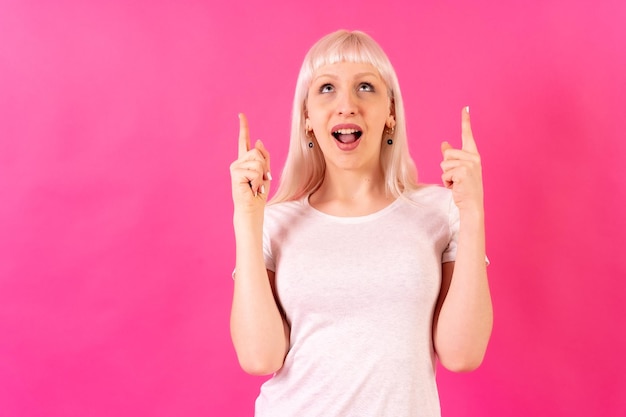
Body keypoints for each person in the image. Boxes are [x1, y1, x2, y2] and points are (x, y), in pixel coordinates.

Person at [229, 29, 493, 417]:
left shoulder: (440, 211)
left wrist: (473, 212)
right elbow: (259, 357)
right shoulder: (273, 222)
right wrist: (246, 220)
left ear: (391, 113)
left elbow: (462, 353)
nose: (346, 105)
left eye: (365, 87)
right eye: (326, 89)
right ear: (307, 119)